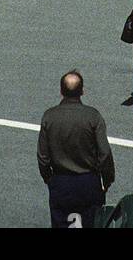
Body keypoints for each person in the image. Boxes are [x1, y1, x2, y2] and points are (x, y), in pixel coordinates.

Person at [37, 71, 115, 228]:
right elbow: (104, 153)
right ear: (82, 91)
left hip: (61, 182)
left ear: (61, 91)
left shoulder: (49, 116)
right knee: (92, 223)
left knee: (61, 223)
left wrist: (49, 178)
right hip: (89, 182)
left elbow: (43, 156)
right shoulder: (92, 116)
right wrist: (107, 180)